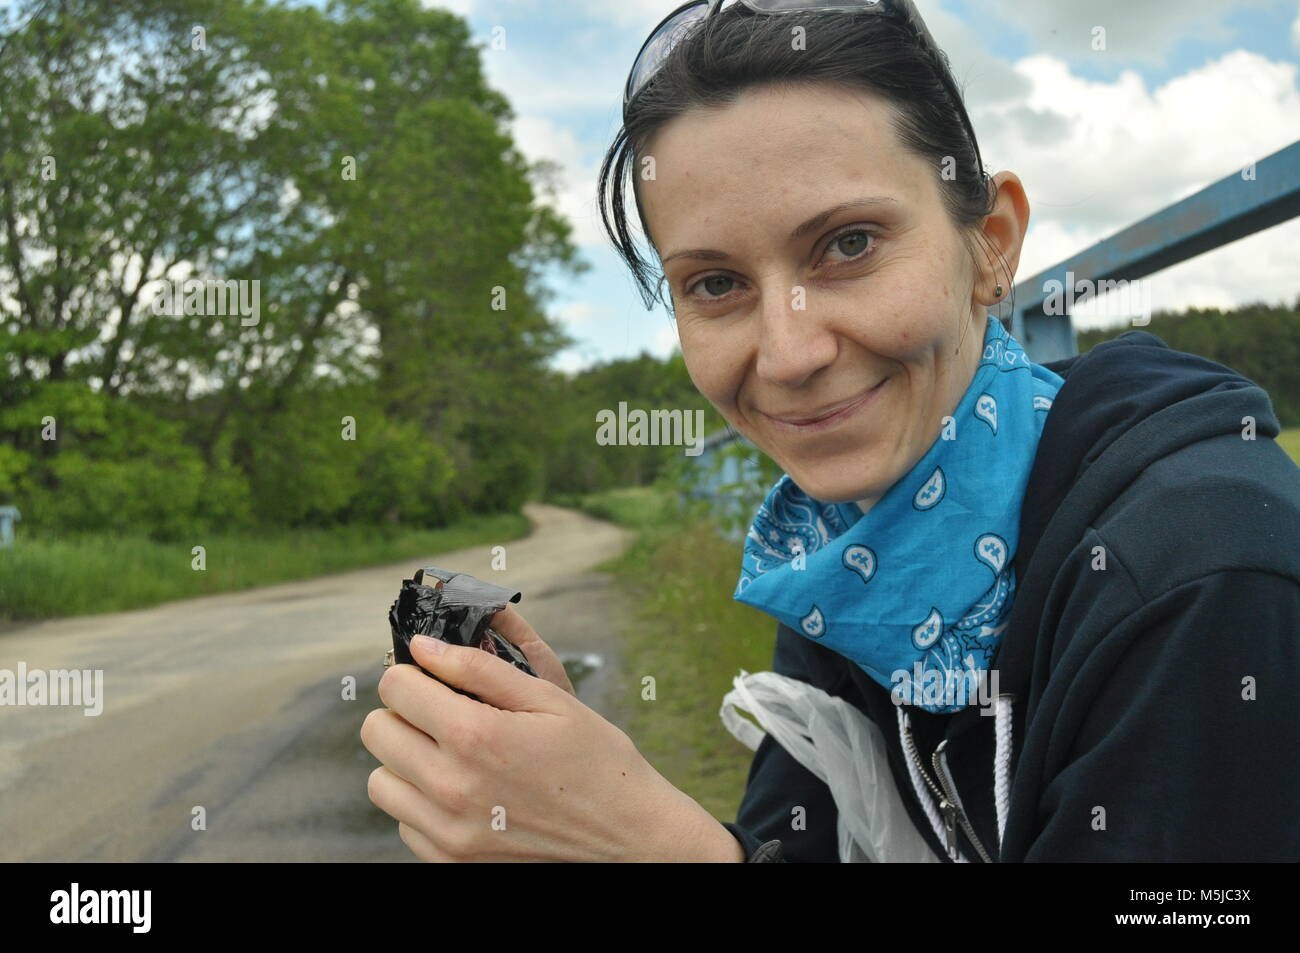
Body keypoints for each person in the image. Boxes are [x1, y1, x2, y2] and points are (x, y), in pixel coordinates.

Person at [594, 0, 1300, 861]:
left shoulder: (1200, 568)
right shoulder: (834, 548)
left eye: (847, 244)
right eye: (713, 284)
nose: (787, 353)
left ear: (993, 245)